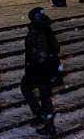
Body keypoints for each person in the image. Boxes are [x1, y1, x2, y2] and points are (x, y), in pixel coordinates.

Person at [21, 7, 63, 137]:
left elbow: (39, 53)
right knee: (45, 97)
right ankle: (48, 124)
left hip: (40, 70)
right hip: (50, 68)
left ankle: (41, 115)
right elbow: (56, 47)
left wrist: (34, 64)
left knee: (26, 88)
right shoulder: (46, 28)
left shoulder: (36, 30)